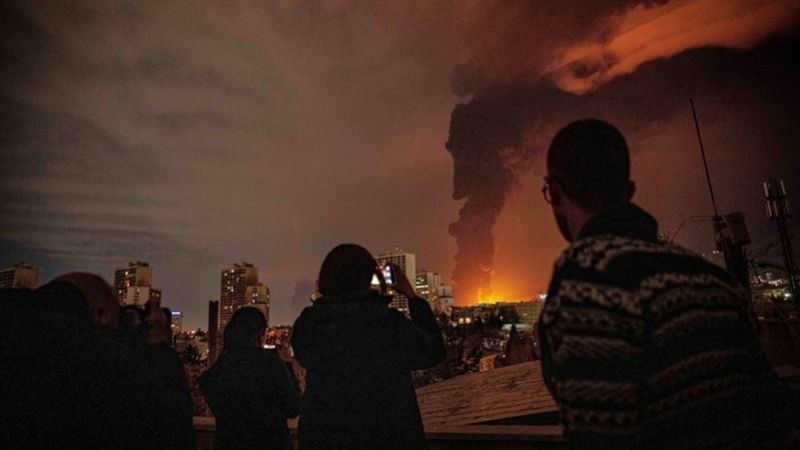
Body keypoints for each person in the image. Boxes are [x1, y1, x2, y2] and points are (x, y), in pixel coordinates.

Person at [537, 118, 797, 449]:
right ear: (629, 191)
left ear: (554, 192)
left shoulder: (587, 278)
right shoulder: (715, 280)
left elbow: (600, 434)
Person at [0, 273, 195, 449]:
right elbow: (171, 425)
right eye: (117, 318)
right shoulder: (87, 354)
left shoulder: (14, 324)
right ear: (98, 314)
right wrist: (159, 342)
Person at [291, 244, 446, 449]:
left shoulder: (309, 324)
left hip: (324, 436)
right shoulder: (388, 322)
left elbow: (303, 356)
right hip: (387, 434)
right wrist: (411, 295)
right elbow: (433, 352)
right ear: (369, 277)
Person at [200, 307, 301, 450]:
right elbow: (293, 407)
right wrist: (288, 365)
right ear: (260, 333)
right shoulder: (270, 364)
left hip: (229, 443)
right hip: (270, 443)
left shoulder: (222, 366)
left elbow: (207, 383)